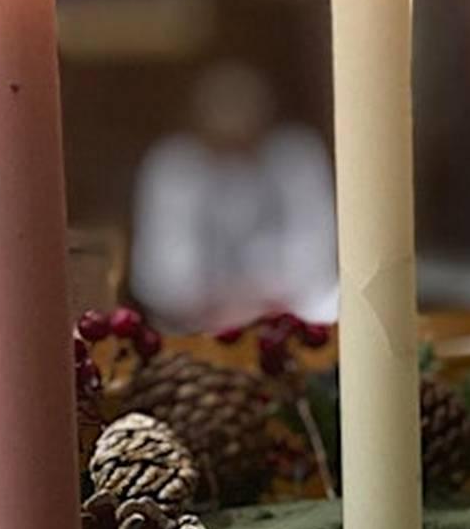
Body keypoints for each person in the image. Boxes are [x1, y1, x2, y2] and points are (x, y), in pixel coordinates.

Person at [131, 61, 339, 332]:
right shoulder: (173, 164)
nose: (234, 141)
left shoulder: (297, 157)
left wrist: (266, 298)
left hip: (289, 312)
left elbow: (318, 250)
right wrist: (214, 302)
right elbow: (160, 267)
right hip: (196, 322)